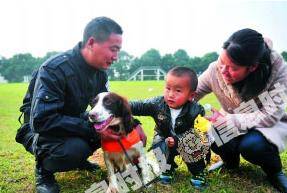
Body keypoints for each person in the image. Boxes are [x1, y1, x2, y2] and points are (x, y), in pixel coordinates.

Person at [15, 17, 123, 193]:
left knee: (114, 129)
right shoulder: (55, 69)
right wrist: (92, 129)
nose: (116, 57)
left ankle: (80, 160)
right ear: (91, 43)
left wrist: (129, 124)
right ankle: (43, 169)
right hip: (40, 130)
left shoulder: (99, 74)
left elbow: (106, 108)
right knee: (74, 150)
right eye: (113, 49)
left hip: (70, 120)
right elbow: (42, 121)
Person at [195, 28, 287, 192]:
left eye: (232, 68)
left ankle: (274, 171)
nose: (223, 71)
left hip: (265, 125)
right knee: (214, 135)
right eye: (221, 62)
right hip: (233, 120)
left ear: (252, 67)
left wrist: (229, 121)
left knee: (252, 146)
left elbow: (270, 115)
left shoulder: (279, 71)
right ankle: (230, 162)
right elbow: (192, 92)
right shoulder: (215, 69)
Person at [130, 67, 210, 189]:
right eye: (168, 88)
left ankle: (198, 172)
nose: (171, 94)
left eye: (178, 91)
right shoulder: (157, 104)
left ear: (191, 95)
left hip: (186, 140)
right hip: (164, 137)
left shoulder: (196, 110)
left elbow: (199, 133)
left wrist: (178, 139)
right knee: (158, 147)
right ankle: (168, 168)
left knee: (192, 145)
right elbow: (139, 105)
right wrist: (119, 104)